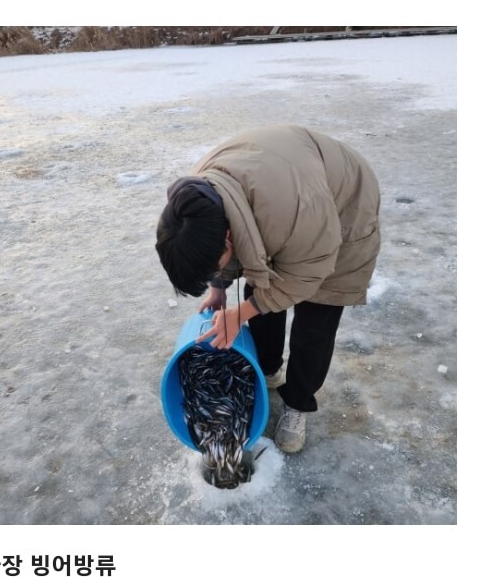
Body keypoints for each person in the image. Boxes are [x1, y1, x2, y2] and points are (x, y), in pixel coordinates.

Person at [155, 125, 381, 454]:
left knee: (316, 318)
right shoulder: (195, 204)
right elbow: (228, 253)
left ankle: (298, 403)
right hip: (282, 190)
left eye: (215, 267)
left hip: (342, 206)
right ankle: (270, 367)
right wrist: (218, 288)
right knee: (259, 292)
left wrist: (243, 313)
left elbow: (307, 274)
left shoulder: (292, 211)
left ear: (227, 238)